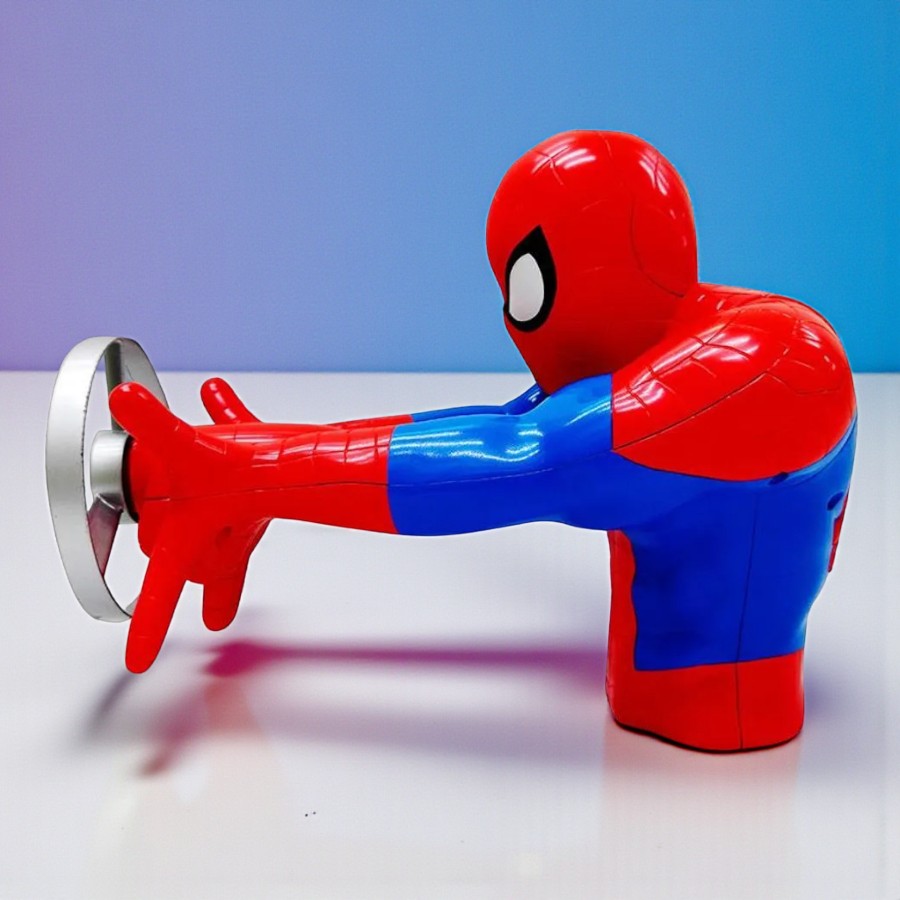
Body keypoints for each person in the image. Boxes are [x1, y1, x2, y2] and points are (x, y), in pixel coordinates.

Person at [111, 130, 856, 751]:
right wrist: (261, 463)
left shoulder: (776, 356)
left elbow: (523, 456)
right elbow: (489, 431)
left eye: (523, 289)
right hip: (667, 739)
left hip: (718, 736)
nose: (513, 323)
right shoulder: (660, 356)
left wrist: (248, 472)